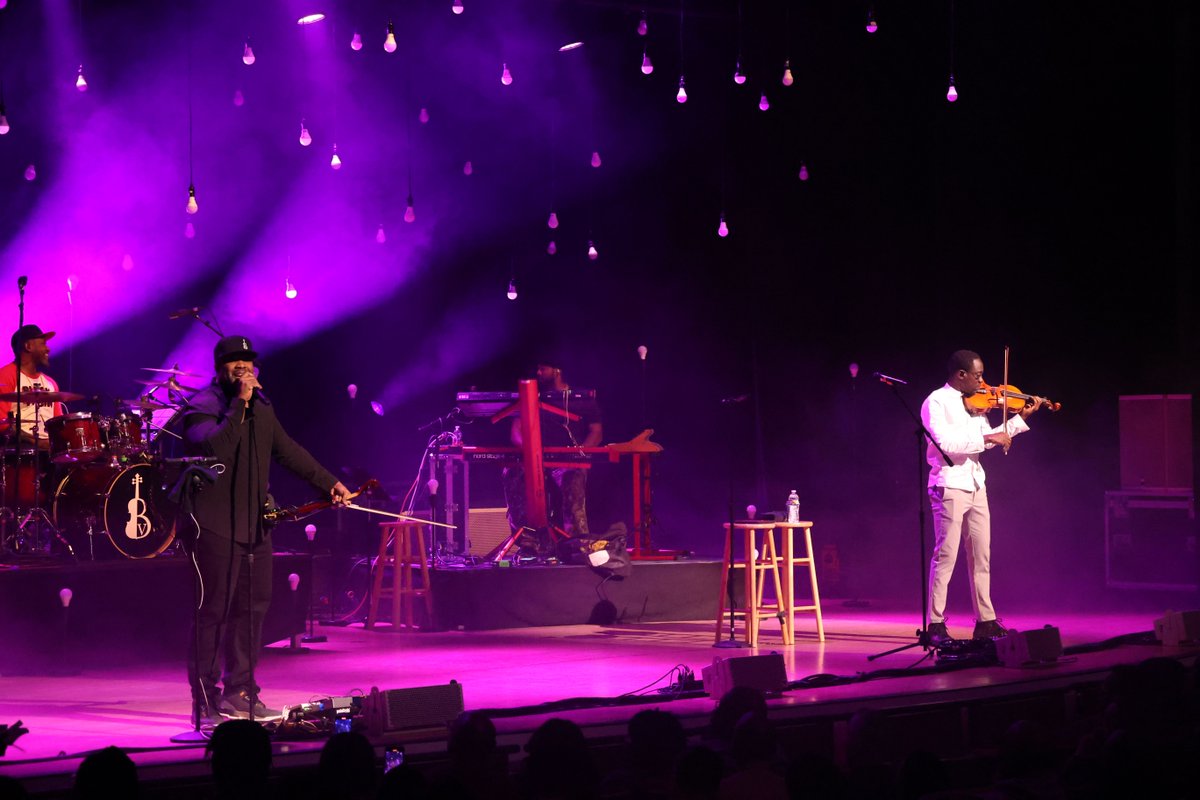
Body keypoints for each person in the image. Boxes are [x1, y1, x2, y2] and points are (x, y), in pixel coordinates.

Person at [183, 334, 351, 725]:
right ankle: (205, 702)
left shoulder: (262, 408)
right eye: (234, 362)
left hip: (255, 526)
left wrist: (329, 483)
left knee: (252, 610)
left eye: (248, 362)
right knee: (213, 614)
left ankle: (240, 692)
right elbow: (215, 450)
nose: (243, 368)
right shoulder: (202, 406)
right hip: (214, 525)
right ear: (219, 368)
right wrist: (240, 402)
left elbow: (288, 451)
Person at [921, 349, 1043, 644]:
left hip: (976, 483)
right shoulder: (936, 401)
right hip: (949, 483)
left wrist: (1019, 421)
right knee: (946, 554)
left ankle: (986, 621)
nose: (983, 382)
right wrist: (987, 437)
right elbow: (946, 444)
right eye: (977, 376)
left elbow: (988, 441)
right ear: (961, 375)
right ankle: (935, 623)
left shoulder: (976, 405)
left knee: (981, 555)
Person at [501, 358, 602, 554]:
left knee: (572, 478)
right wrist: (532, 454)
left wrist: (579, 454)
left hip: (567, 460)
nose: (538, 373)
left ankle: (576, 543)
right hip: (534, 459)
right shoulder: (530, 397)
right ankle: (530, 542)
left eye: (542, 368)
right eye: (537, 368)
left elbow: (596, 432)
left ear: (557, 370)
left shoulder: (581, 399)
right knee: (512, 473)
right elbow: (516, 433)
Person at [0, 325, 64, 450]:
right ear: (28, 346)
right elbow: (3, 425)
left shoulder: (50, 383)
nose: (48, 349)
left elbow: (58, 424)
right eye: (43, 344)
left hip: (49, 453)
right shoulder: (5, 376)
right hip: (19, 452)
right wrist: (36, 442)